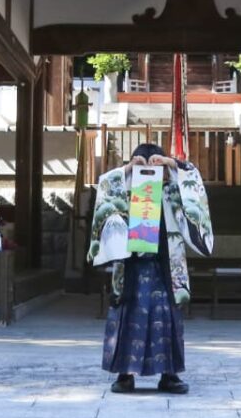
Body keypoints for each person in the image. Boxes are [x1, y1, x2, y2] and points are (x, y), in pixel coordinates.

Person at [87, 142, 214, 394]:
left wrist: (172, 164)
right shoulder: (123, 191)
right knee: (128, 316)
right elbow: (105, 185)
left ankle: (170, 374)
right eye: (139, 166)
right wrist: (127, 169)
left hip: (164, 267)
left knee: (167, 320)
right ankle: (125, 375)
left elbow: (193, 184)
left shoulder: (170, 192)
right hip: (131, 267)